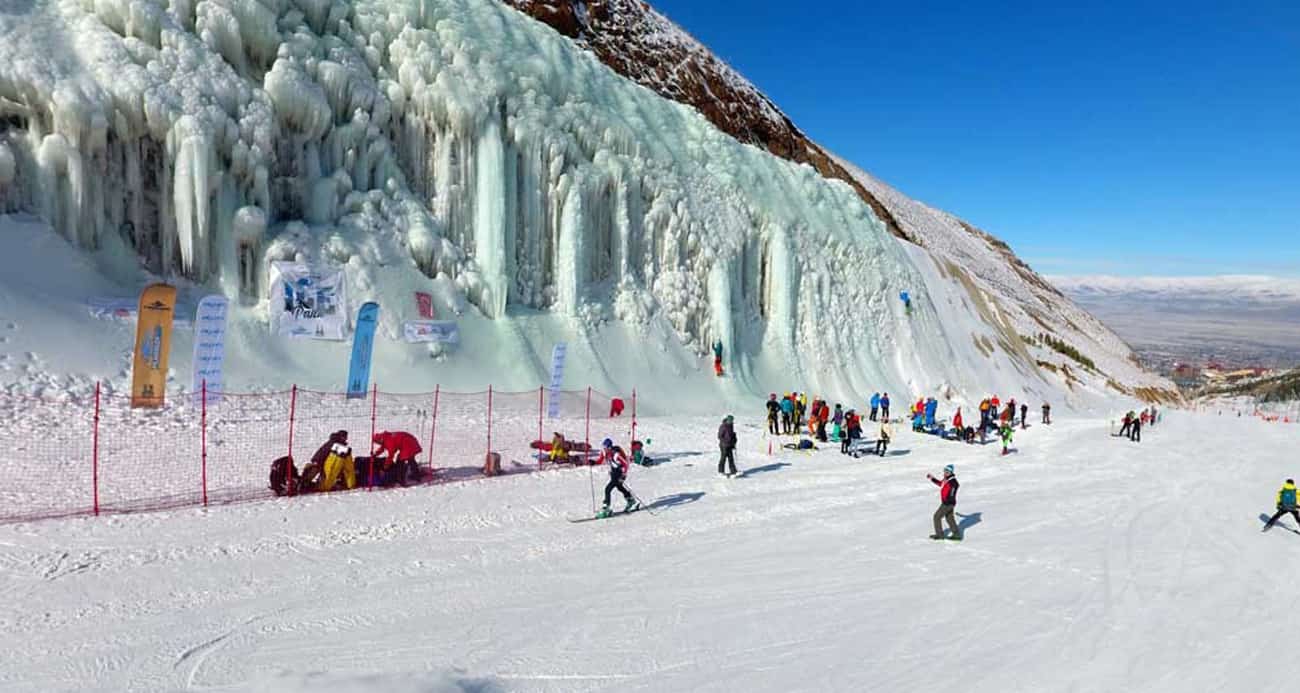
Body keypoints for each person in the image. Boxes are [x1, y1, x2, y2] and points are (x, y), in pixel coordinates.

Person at [597, 438, 638, 517]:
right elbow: (600, 460)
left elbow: (626, 464)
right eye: (604, 447)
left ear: (609, 447)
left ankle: (606, 507)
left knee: (607, 489)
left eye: (606, 447)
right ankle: (630, 500)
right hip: (613, 473)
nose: (604, 449)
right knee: (619, 487)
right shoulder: (605, 453)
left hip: (619, 473)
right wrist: (593, 462)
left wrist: (623, 475)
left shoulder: (616, 454)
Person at [927, 465, 961, 540]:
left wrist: (949, 501)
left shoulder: (952, 481)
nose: (945, 473)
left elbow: (955, 487)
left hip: (948, 503)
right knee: (949, 518)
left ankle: (939, 535)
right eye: (945, 471)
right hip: (948, 503)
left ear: (951, 472)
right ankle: (957, 535)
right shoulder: (946, 479)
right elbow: (940, 484)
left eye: (947, 472)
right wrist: (932, 478)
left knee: (936, 517)